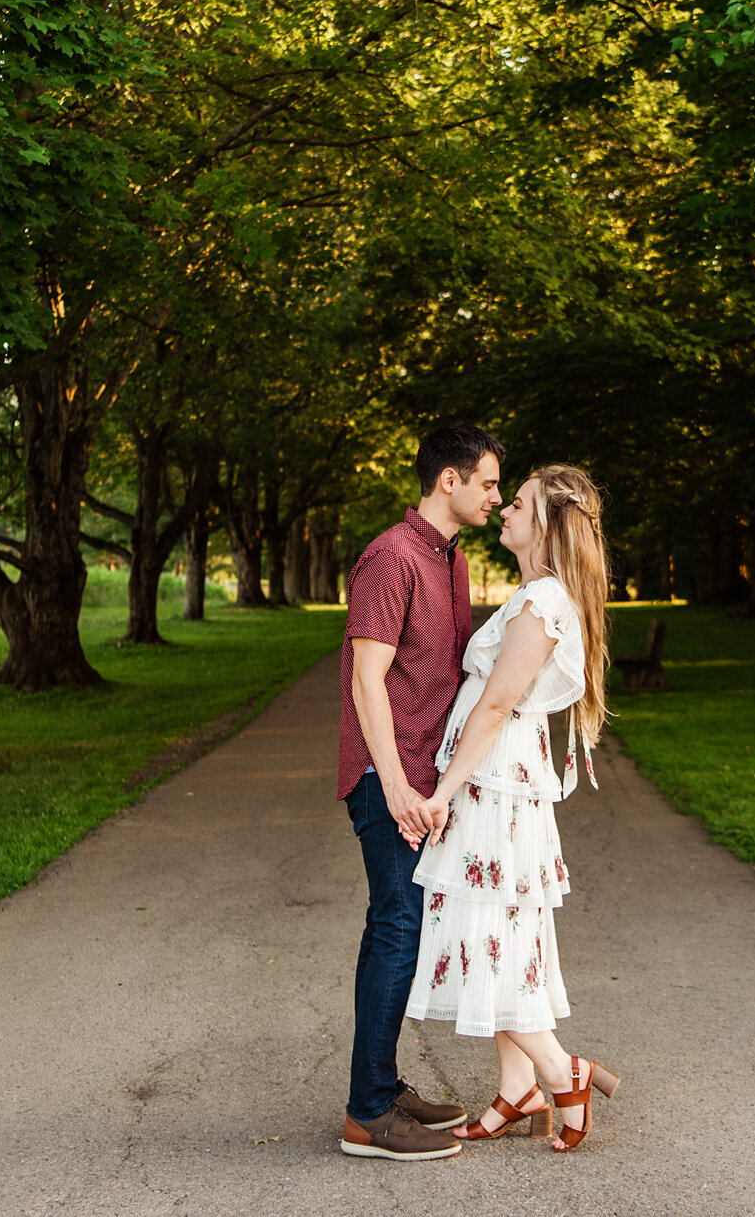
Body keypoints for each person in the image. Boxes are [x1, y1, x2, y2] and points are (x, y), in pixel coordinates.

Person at [403, 464, 622, 1152]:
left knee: (479, 936)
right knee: (500, 936)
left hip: (492, 785)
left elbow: (496, 705)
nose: (503, 509)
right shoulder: (534, 593)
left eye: (518, 502)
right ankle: (518, 1085)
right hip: (495, 781)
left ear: (549, 522)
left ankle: (563, 1070)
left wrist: (440, 792)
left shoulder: (543, 601)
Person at [337, 424, 505, 1161]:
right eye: (490, 483)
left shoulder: (450, 560)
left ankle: (382, 1084)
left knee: (400, 930)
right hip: (387, 777)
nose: (497, 497)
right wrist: (399, 785)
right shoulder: (391, 556)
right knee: (398, 927)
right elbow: (365, 679)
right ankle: (368, 1113)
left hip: (423, 776)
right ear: (450, 480)